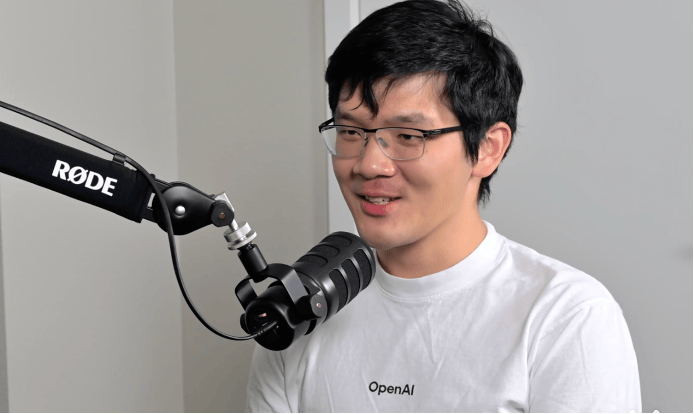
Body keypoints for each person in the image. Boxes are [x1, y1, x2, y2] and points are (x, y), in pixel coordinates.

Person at [245, 0, 641, 412]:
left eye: (408, 136)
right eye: (350, 131)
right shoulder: (298, 309)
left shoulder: (566, 316)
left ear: (487, 149)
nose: (369, 164)